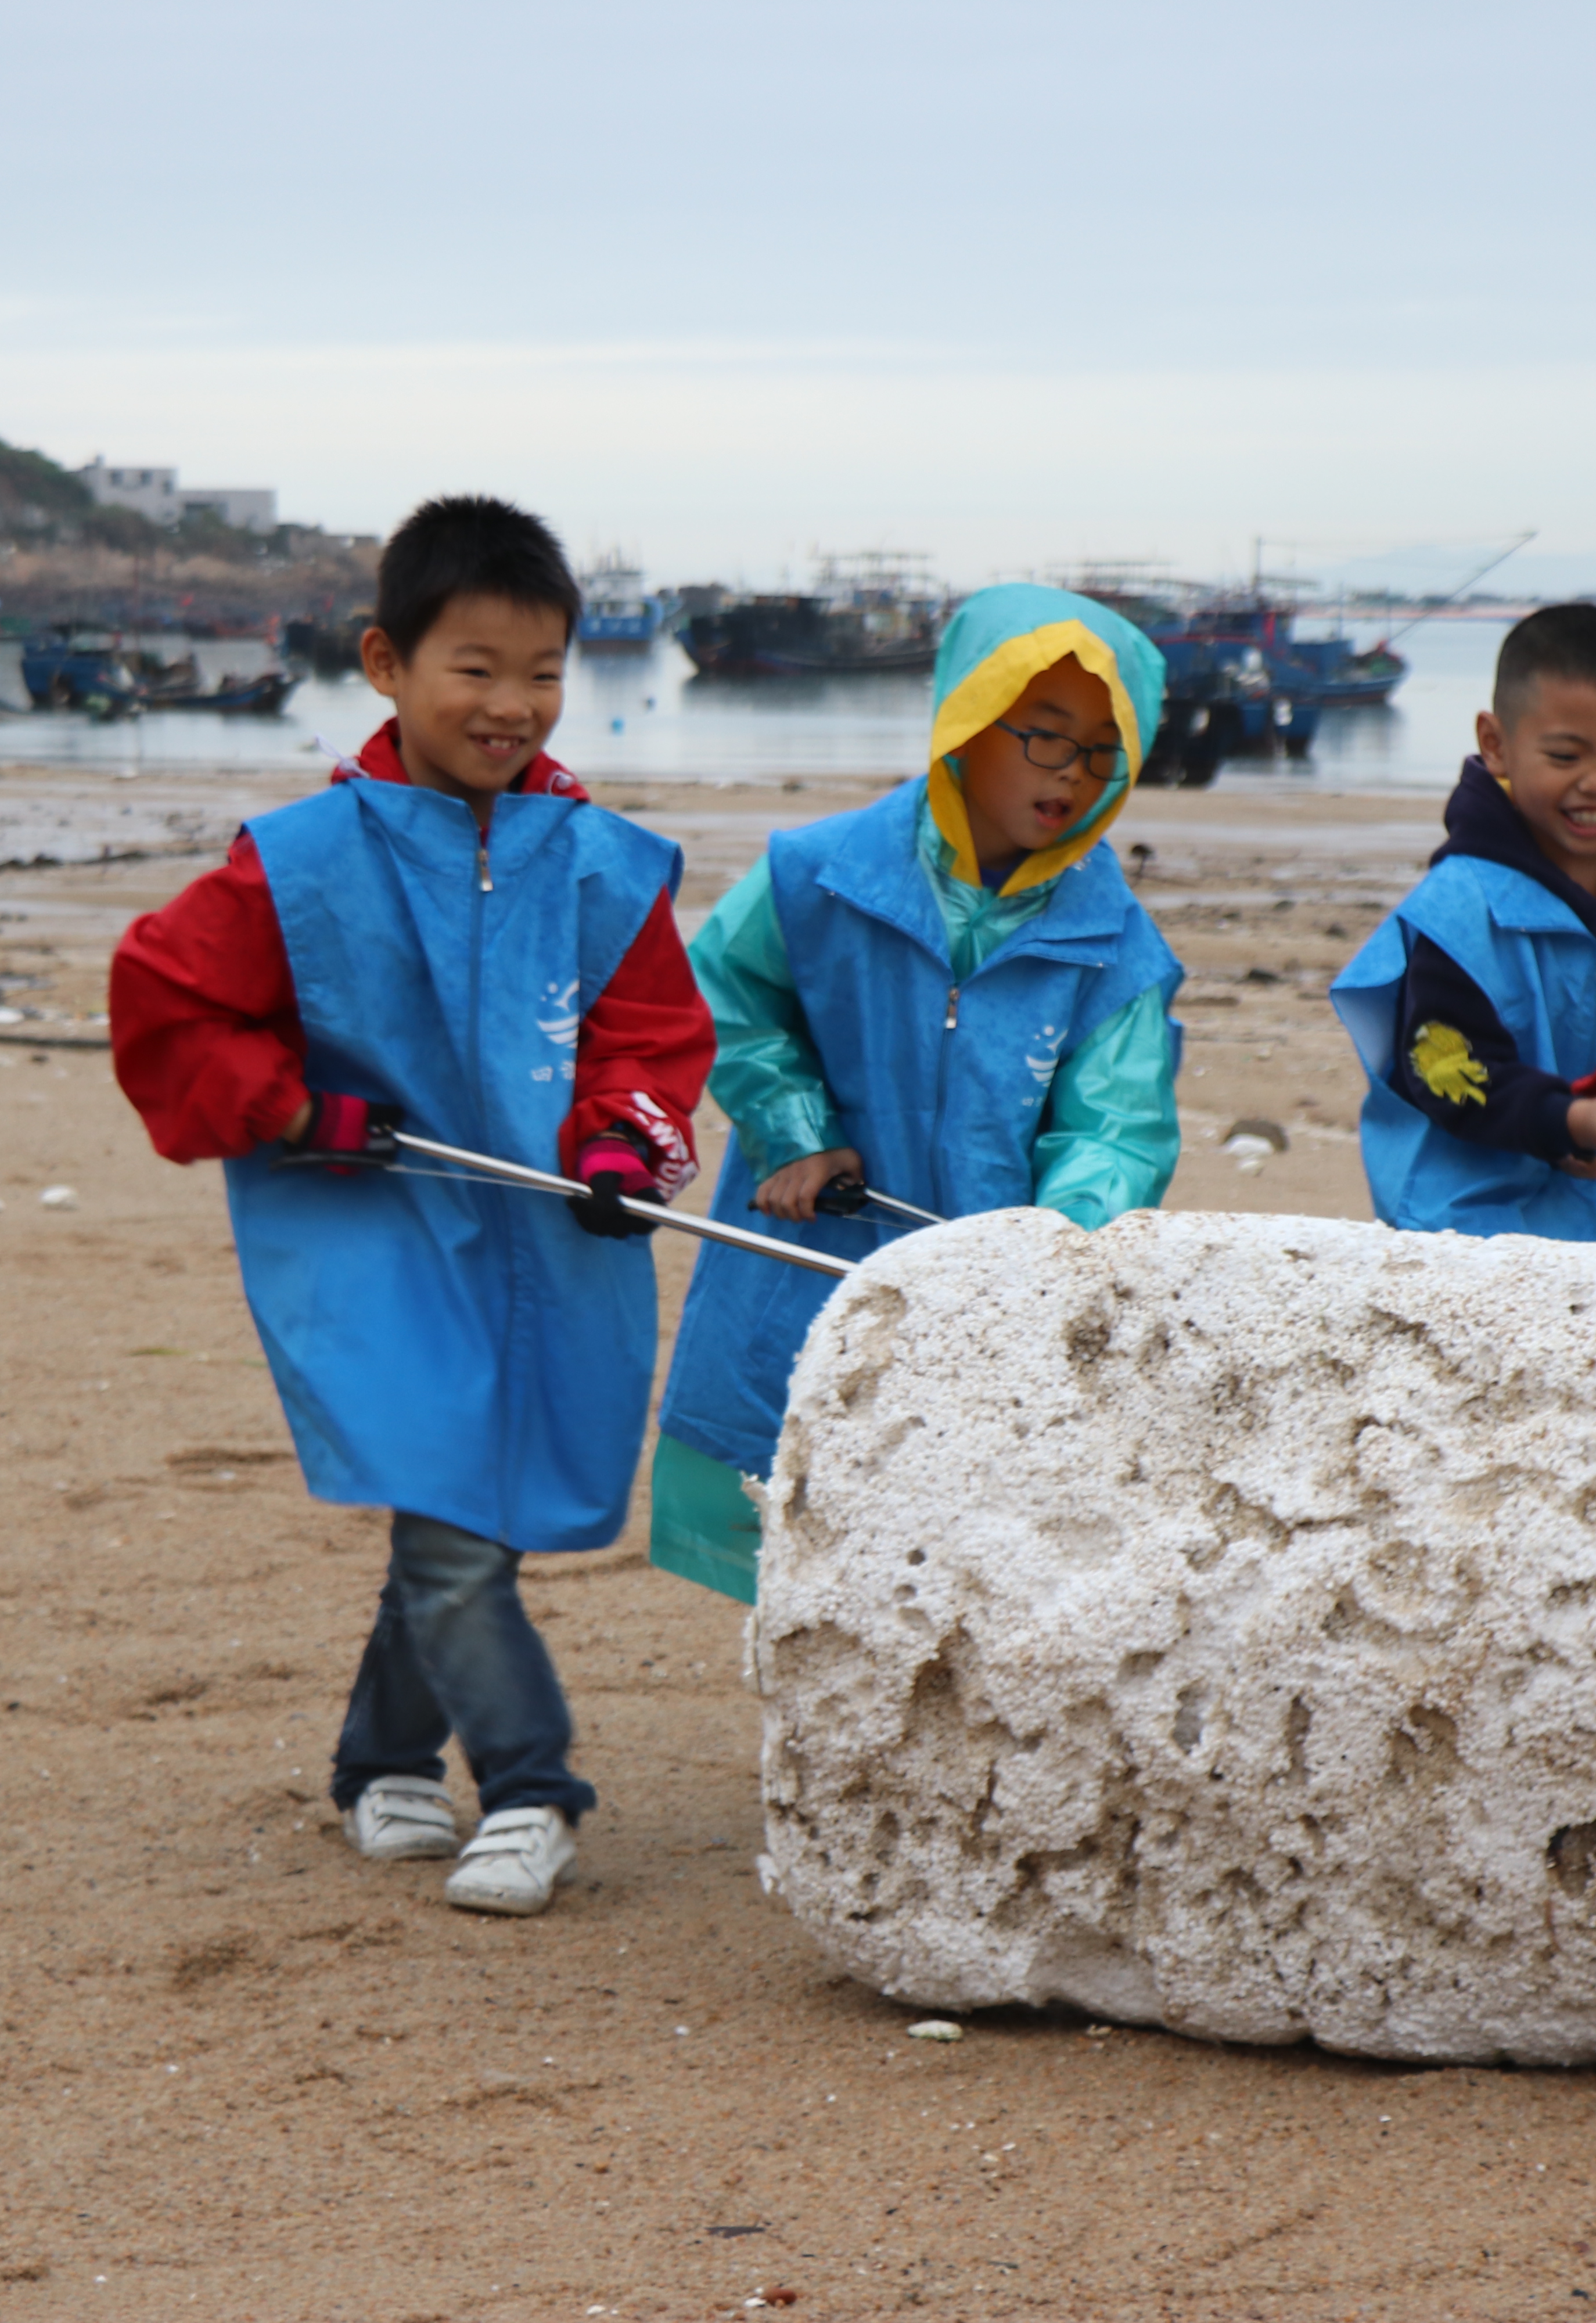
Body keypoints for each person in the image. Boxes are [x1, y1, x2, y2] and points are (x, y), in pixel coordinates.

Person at [106, 495, 712, 1917]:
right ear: (385, 661)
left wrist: (622, 1148)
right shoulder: (302, 860)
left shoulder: (609, 865)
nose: (513, 704)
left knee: (465, 1515)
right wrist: (291, 1109)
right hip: (373, 1237)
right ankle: (531, 1788)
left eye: (544, 671)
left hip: (551, 1243)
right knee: (450, 1518)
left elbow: (650, 1041)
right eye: (476, 667)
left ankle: (380, 1755)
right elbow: (167, 999)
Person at [648, 583, 1183, 1603]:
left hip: (987, 1306)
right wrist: (792, 1127)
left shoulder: (1116, 953)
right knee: (797, 1526)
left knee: (962, 1556)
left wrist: (1051, 1253)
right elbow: (725, 987)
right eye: (1044, 736)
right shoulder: (819, 875)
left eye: (1101, 750)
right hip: (807, 1259)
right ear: (970, 720)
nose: (1071, 772)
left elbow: (1117, 1131)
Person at [1328, 602, 1596, 1242]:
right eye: (1565, 756)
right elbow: (1450, 1077)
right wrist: (1573, 1120)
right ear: (1496, 745)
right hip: (1465, 1219)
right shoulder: (1457, 913)